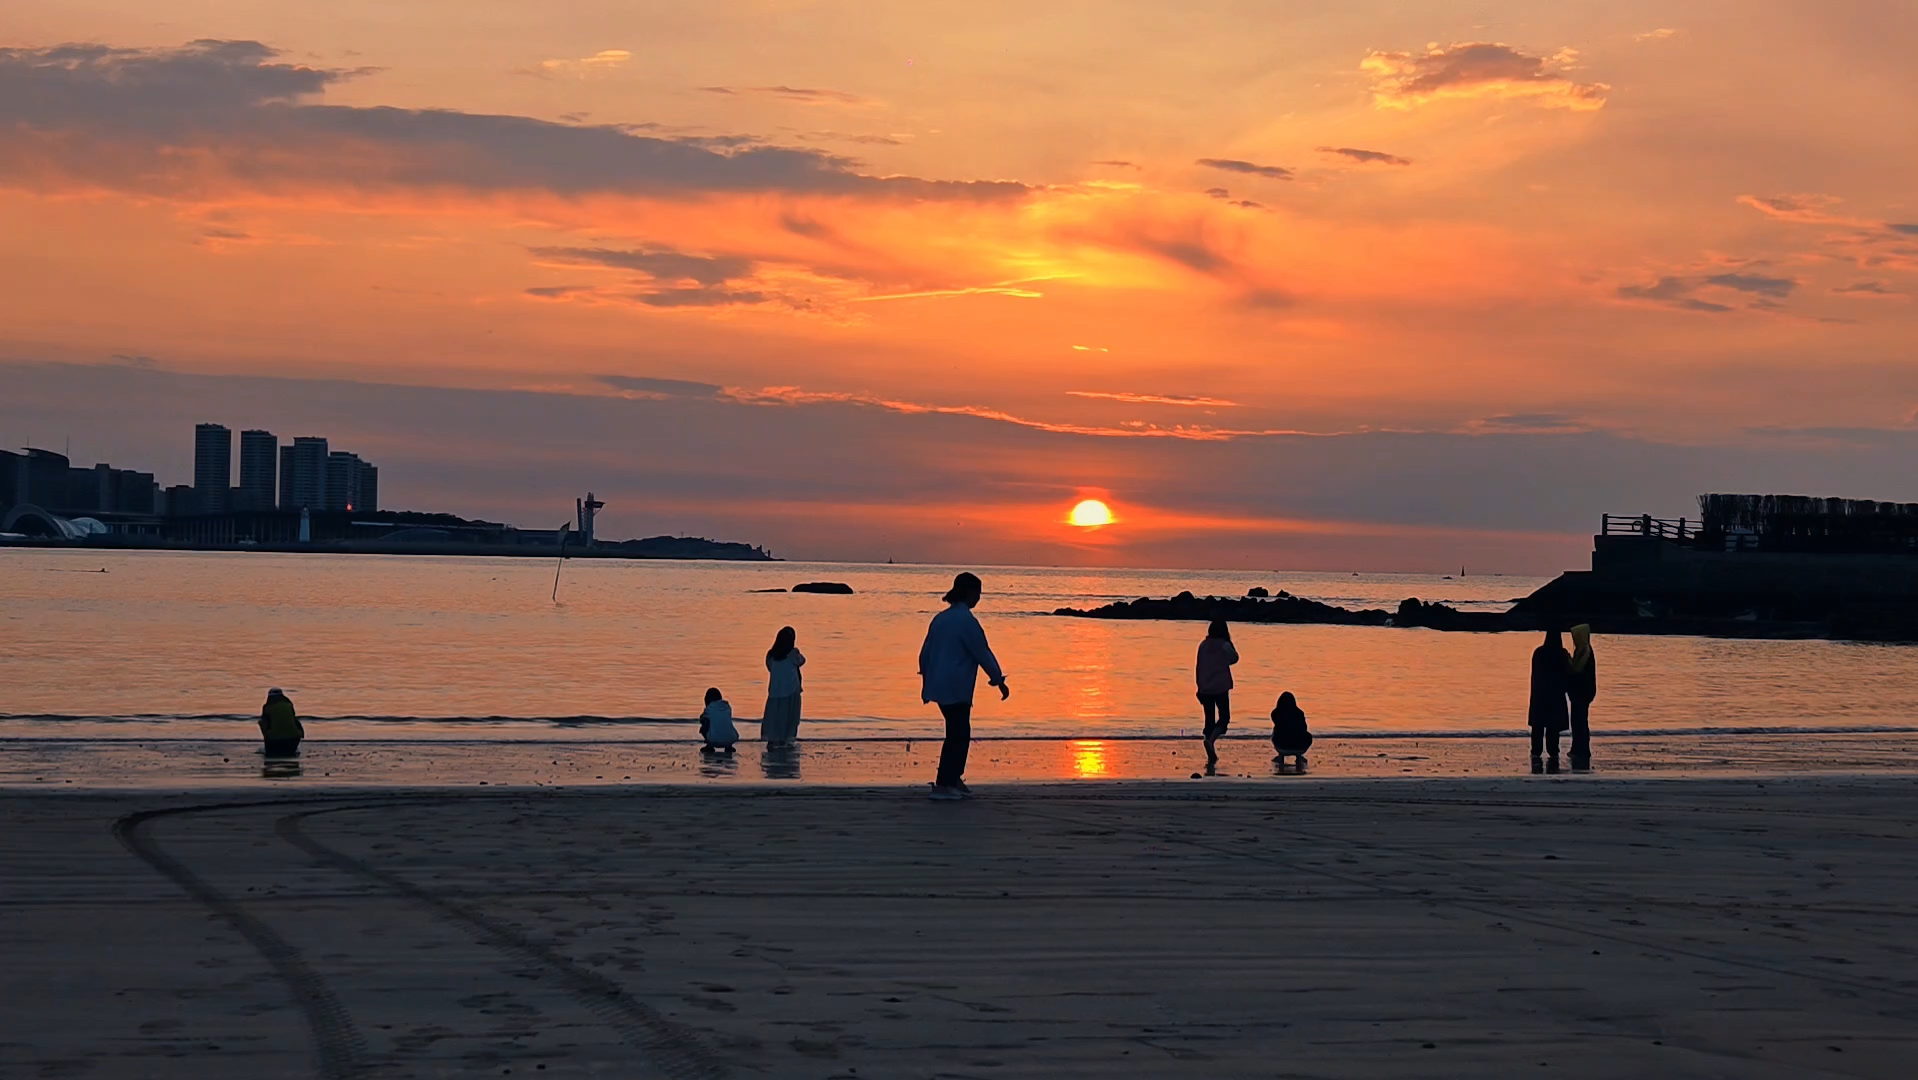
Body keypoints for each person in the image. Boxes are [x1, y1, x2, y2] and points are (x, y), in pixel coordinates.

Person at [918, 572, 1008, 801]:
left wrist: (926, 682)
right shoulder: (966, 621)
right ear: (968, 593)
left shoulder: (940, 619)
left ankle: (953, 779)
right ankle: (944, 783)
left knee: (956, 732)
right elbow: (982, 653)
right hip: (956, 685)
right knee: (958, 735)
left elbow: (925, 654)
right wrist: (998, 679)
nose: (979, 597)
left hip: (940, 684)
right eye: (977, 593)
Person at [1195, 620, 1238, 768]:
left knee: (1209, 719)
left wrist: (1199, 687)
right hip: (1220, 686)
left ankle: (1210, 747)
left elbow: (1198, 666)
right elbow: (1234, 659)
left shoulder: (1203, 645)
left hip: (1205, 686)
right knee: (1224, 717)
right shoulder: (1224, 645)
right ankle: (1211, 741)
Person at [1528, 629, 1571, 774]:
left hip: (1539, 692)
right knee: (1553, 726)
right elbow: (1568, 673)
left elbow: (1534, 673)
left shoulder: (1538, 652)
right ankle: (1553, 752)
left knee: (1538, 725)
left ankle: (1536, 752)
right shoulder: (1562, 654)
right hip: (1556, 694)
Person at [761, 627, 805, 749]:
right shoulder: (793, 654)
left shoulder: (771, 655)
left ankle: (773, 739)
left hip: (775, 691)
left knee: (775, 717)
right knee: (789, 718)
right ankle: (786, 740)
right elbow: (802, 661)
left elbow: (770, 668)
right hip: (791, 691)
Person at [1567, 624, 1597, 771]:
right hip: (1581, 692)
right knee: (1579, 720)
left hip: (1582, 693)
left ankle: (1581, 748)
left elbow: (1577, 670)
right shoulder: (1583, 650)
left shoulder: (1585, 652)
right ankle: (1579, 747)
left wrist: (1568, 663)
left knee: (1579, 721)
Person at [1270, 691, 1312, 770]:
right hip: (1299, 746)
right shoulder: (1299, 713)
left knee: (1276, 731)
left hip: (1282, 745)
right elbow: (1304, 728)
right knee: (1307, 735)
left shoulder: (1275, 713)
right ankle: (1298, 756)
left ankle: (1281, 755)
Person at [258, 687, 304, 757]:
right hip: (294, 737)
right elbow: (294, 720)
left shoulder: (267, 707)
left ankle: (269, 745)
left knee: (261, 722)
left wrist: (266, 734)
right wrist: (301, 733)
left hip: (275, 739)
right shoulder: (288, 705)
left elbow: (264, 722)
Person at [699, 687, 738, 754]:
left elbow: (702, 719)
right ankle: (728, 746)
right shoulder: (727, 707)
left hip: (714, 740)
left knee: (704, 725)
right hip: (731, 739)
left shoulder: (709, 708)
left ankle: (709, 746)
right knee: (724, 723)